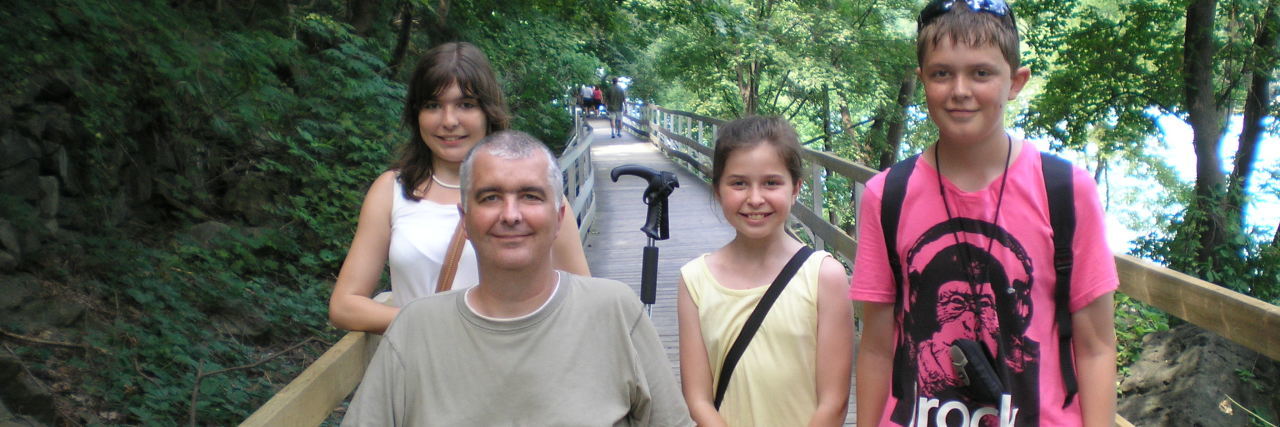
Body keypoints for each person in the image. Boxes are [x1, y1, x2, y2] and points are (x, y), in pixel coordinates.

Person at [849, 0, 1119, 425]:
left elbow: (1097, 346)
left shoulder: (1065, 191)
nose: (960, 90)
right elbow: (878, 346)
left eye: (981, 73)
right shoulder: (888, 196)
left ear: (1015, 81)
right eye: (942, 73)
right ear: (922, 81)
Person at [341, 131, 694, 426]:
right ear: (465, 218)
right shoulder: (415, 328)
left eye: (530, 196)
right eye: (491, 197)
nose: (510, 215)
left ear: (558, 217)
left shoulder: (614, 311)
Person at [328, 42, 590, 334]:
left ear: (487, 111)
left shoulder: (535, 192)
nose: (449, 121)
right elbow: (344, 305)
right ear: (416, 115)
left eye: (465, 105)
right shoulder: (392, 191)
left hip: (517, 361)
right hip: (425, 368)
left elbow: (582, 297)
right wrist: (439, 324)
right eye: (433, 106)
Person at [677, 116, 853, 426]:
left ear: (796, 187)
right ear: (718, 188)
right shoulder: (694, 280)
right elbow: (698, 399)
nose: (755, 199)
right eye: (739, 183)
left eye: (771, 182)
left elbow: (833, 402)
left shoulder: (824, 276)